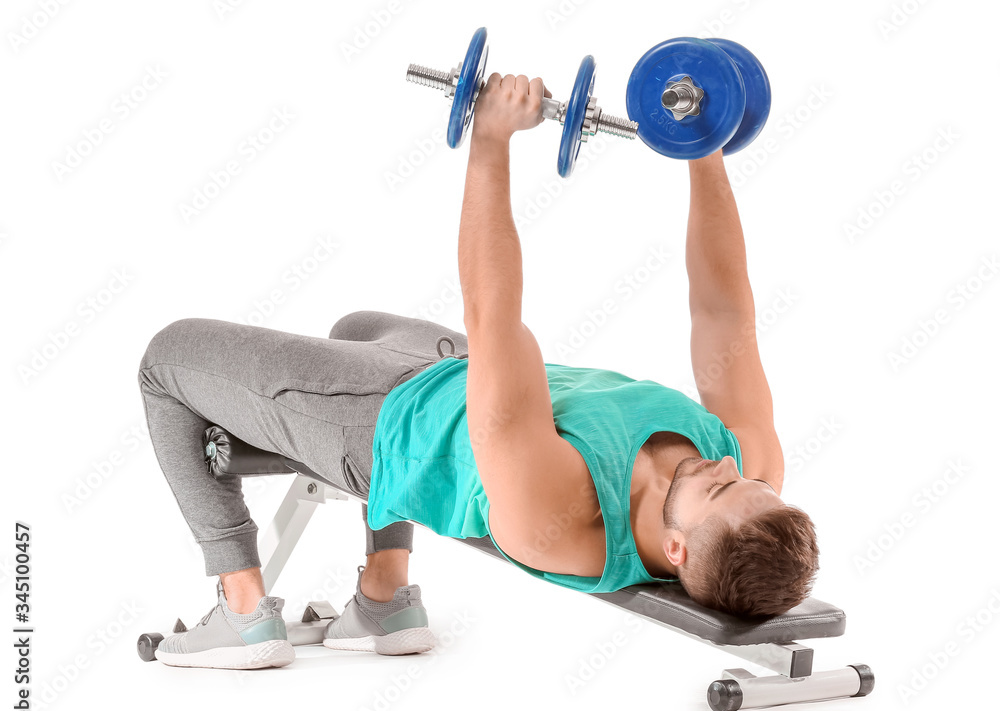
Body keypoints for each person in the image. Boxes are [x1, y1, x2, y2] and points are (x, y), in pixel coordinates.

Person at [137, 72, 818, 670]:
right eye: (749, 482)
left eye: (721, 491)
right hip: (462, 379)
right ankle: (385, 597)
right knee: (358, 326)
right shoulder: (744, 470)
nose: (727, 468)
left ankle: (242, 606)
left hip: (382, 420)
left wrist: (491, 141)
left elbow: (495, 314)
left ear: (674, 548)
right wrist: (704, 152)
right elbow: (725, 313)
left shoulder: (565, 516)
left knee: (166, 358)